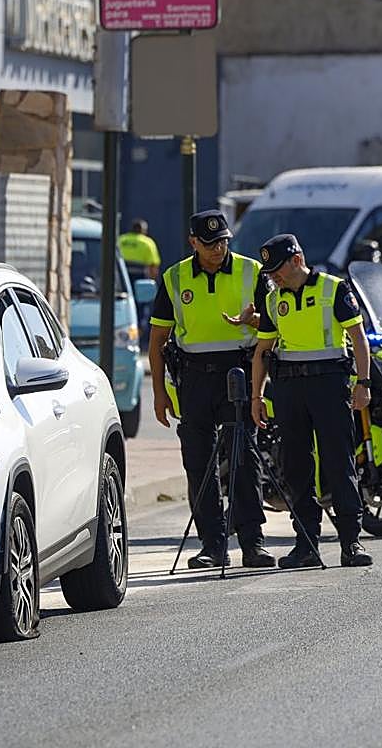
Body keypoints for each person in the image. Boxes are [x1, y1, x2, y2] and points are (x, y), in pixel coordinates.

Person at [148, 210, 274, 569]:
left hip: (239, 371)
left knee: (243, 457)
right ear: (193, 243)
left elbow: (275, 324)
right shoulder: (175, 277)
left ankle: (253, 543)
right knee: (198, 463)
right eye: (209, 243)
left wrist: (253, 320)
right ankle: (213, 544)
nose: (218, 249)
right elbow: (158, 338)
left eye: (223, 242)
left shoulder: (253, 272)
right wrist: (159, 392)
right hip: (194, 379)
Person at [248, 233, 374, 569]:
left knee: (339, 461)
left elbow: (358, 339)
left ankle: (351, 542)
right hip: (289, 387)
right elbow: (262, 350)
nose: (273, 276)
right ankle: (305, 544)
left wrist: (363, 383)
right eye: (269, 271)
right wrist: (256, 396)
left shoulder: (333, 289)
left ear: (297, 260)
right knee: (295, 467)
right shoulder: (274, 299)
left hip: (329, 384)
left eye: (277, 269)